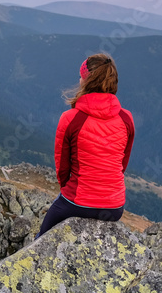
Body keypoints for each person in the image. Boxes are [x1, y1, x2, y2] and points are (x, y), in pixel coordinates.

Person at [37, 53, 134, 238]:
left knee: (42, 238)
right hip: (115, 207)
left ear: (86, 81)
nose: (79, 79)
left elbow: (62, 167)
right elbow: (122, 164)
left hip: (78, 203)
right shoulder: (126, 118)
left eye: (81, 76)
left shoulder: (71, 119)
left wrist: (70, 190)